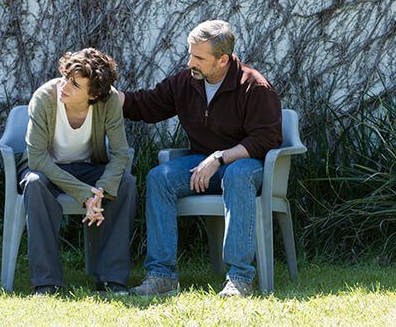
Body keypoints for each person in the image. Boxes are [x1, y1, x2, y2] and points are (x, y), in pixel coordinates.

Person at [120, 20, 282, 297]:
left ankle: (240, 278)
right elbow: (146, 105)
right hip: (203, 164)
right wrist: (107, 95)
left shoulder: (253, 86)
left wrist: (219, 158)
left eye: (198, 57)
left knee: (237, 173)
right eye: (190, 54)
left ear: (222, 59)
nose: (189, 62)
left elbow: (266, 139)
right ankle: (162, 276)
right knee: (160, 178)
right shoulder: (186, 82)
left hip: (249, 166)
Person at [17, 48, 136, 296]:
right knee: (34, 184)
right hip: (46, 169)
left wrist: (100, 190)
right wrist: (84, 193)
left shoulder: (109, 100)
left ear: (93, 94)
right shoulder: (44, 97)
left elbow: (121, 152)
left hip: (88, 168)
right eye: (64, 78)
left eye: (74, 85)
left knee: (125, 183)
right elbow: (36, 157)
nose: (64, 86)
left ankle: (111, 280)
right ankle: (46, 284)